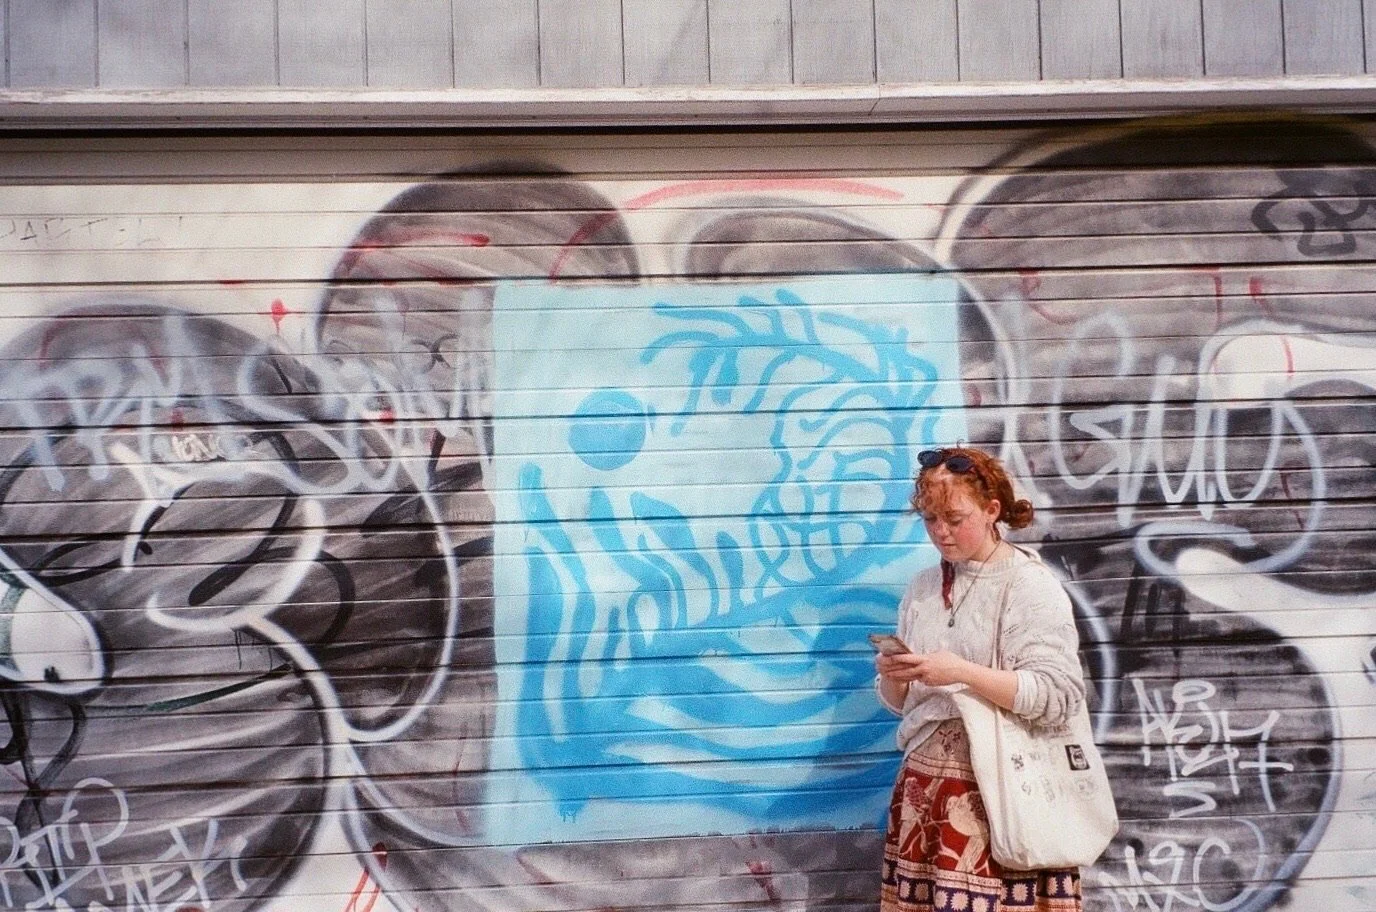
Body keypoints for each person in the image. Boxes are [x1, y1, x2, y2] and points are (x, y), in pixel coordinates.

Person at [875, 445, 1086, 912]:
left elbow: (1057, 695)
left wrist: (961, 673)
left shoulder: (1027, 585)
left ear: (992, 510)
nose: (941, 533)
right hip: (925, 799)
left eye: (954, 518)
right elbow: (901, 703)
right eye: (930, 519)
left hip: (1004, 801)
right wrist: (895, 678)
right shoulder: (924, 587)